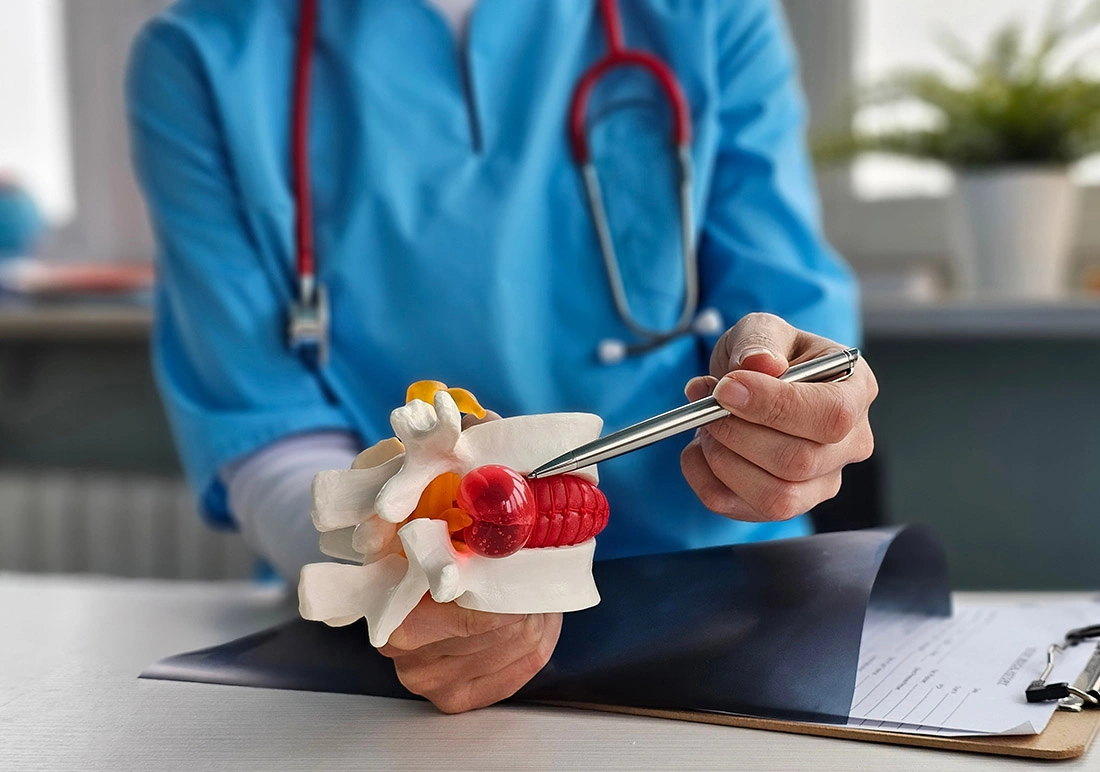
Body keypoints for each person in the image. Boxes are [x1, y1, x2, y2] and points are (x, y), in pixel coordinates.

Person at [126, 0, 877, 713]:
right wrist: (402, 568)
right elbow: (269, 430)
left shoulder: (708, 15)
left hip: (730, 603)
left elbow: (782, 312)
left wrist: (798, 415)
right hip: (413, 636)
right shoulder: (204, 56)